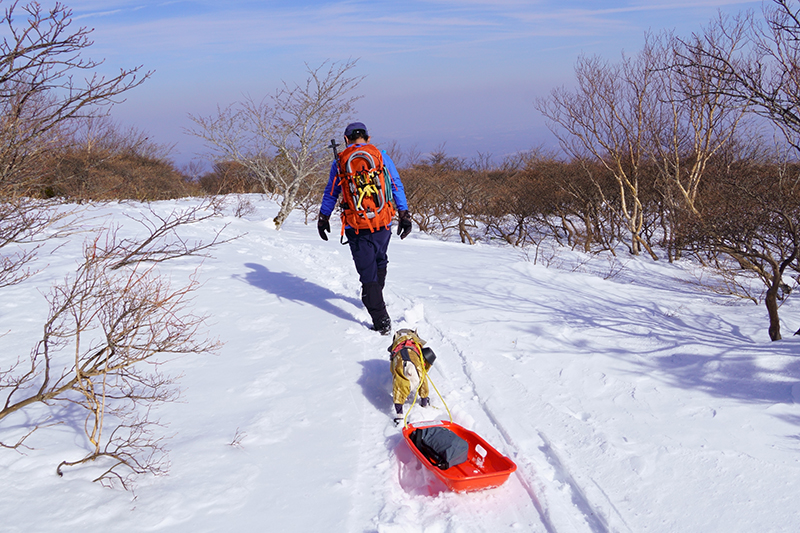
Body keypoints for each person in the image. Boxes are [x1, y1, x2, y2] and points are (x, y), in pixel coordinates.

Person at [317, 122, 412, 335]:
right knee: (380, 260)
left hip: (356, 225)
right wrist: (404, 214)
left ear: (346, 139)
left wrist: (323, 217)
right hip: (383, 222)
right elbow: (396, 184)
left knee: (367, 275)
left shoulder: (340, 162)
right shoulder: (381, 157)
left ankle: (381, 321)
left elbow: (331, 192)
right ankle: (376, 296)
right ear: (368, 138)